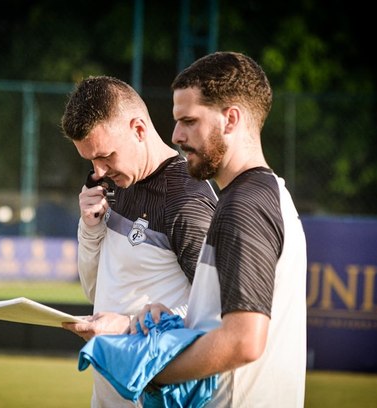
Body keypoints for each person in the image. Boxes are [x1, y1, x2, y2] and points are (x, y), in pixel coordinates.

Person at [132, 51, 307, 407]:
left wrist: (151, 371)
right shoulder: (268, 193)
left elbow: (244, 341)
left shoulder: (245, 205)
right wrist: (184, 324)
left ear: (231, 119)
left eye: (189, 121)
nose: (177, 135)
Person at [59, 75, 218, 407]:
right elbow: (96, 291)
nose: (98, 170)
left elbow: (216, 312)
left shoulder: (187, 201)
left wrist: (129, 325)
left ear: (139, 129)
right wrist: (89, 230)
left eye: (106, 156)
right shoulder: (115, 185)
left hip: (156, 397)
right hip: (106, 394)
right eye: (90, 160)